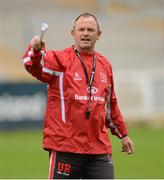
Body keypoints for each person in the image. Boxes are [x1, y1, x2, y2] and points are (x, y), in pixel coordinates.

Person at [22, 12, 134, 179]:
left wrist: (123, 135)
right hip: (65, 147)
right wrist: (36, 50)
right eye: (81, 29)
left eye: (90, 29)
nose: (86, 33)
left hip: (98, 149)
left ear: (99, 35)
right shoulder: (59, 60)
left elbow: (110, 105)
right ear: (73, 33)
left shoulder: (105, 65)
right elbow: (33, 66)